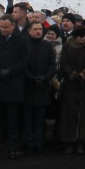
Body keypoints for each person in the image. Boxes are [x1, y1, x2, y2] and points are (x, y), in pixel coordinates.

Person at [0, 14, 27, 159]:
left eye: (6, 27)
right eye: (1, 27)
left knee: (13, 120)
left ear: (13, 26)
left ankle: (13, 147)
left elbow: (23, 61)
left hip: (13, 85)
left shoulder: (21, 41)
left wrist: (10, 71)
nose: (3, 29)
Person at [57, 25, 85, 153]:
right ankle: (70, 140)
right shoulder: (68, 46)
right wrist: (73, 74)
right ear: (75, 36)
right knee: (69, 113)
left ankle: (81, 141)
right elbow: (63, 64)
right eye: (81, 36)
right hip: (71, 85)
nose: (83, 39)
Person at [23, 21, 57, 153]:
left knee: (40, 116)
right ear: (29, 31)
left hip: (43, 86)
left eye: (40, 29)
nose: (38, 31)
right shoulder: (24, 45)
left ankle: (39, 141)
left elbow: (52, 65)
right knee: (28, 116)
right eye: (35, 29)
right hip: (29, 86)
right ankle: (29, 142)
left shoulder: (47, 46)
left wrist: (46, 77)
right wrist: (31, 77)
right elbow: (22, 64)